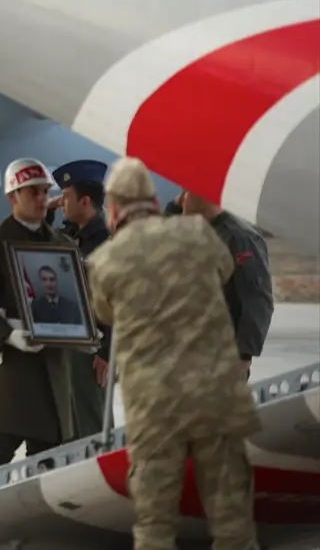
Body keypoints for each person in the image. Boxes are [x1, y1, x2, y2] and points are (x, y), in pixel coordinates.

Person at [87, 157, 262, 550]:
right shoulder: (200, 236)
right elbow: (222, 270)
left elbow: (104, 311)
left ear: (113, 208)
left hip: (155, 406)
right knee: (233, 521)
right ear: (154, 198)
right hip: (217, 396)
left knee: (155, 525)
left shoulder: (105, 262)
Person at [0, 157, 76, 473]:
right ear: (13, 198)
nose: (41, 199)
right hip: (13, 362)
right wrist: (6, 334)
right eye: (32, 192)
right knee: (6, 439)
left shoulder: (62, 245)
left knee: (48, 446)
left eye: (43, 191)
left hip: (50, 360)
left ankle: (39, 513)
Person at [178, 190, 274, 379]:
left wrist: (243, 355)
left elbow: (257, 300)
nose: (182, 199)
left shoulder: (239, 239)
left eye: (187, 192)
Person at [50, 159, 113, 441]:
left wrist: (106, 353)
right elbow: (37, 246)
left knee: (91, 424)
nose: (60, 202)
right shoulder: (68, 236)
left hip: (93, 349)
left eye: (66, 197)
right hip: (69, 342)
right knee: (68, 424)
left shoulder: (106, 243)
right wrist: (49, 213)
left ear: (85, 201)